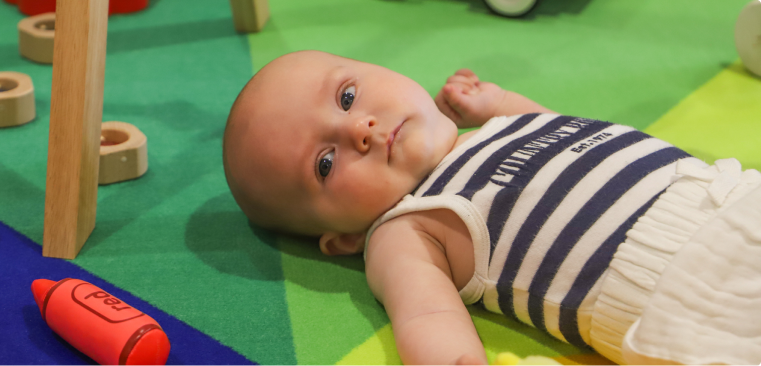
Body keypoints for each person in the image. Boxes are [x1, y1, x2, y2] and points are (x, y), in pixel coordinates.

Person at [222, 50, 761, 366]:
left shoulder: (500, 128)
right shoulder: (407, 228)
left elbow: (565, 131)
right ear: (341, 239)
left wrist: (498, 104)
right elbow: (427, 314)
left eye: (346, 97)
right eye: (324, 163)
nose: (357, 129)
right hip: (683, 288)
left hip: (734, 196)